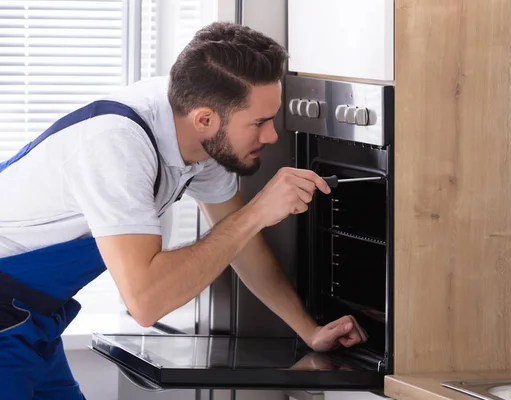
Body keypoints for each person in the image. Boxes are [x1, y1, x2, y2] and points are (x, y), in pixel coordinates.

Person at [0, 21, 368, 400]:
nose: (272, 136)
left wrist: (308, 330)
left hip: (31, 317)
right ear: (204, 119)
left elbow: (241, 243)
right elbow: (147, 303)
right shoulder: (117, 147)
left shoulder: (195, 129)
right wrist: (258, 210)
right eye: (259, 122)